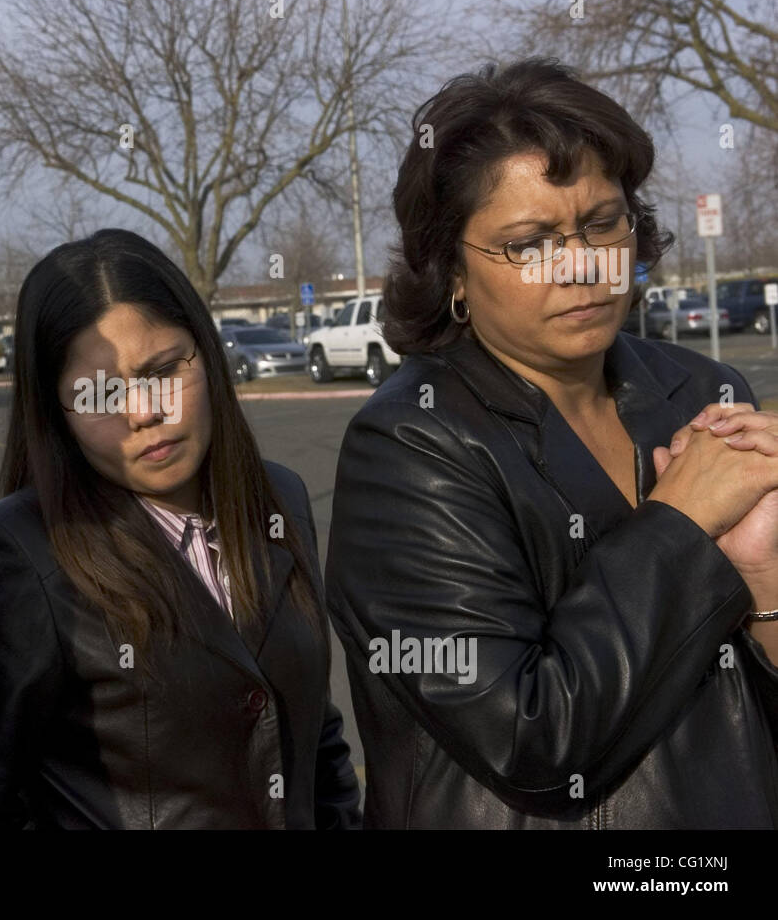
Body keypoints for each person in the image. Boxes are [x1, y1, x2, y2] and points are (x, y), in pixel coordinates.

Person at [325, 57, 778, 829]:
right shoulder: (407, 446)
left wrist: (767, 588)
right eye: (530, 242)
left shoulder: (705, 392)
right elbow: (530, 734)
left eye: (603, 223)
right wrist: (678, 523)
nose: (583, 264)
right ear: (452, 273)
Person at [0, 229, 361, 829]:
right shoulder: (10, 560)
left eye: (160, 371)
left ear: (206, 352)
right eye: (100, 393)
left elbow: (317, 739)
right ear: (56, 414)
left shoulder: (279, 499)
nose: (143, 412)